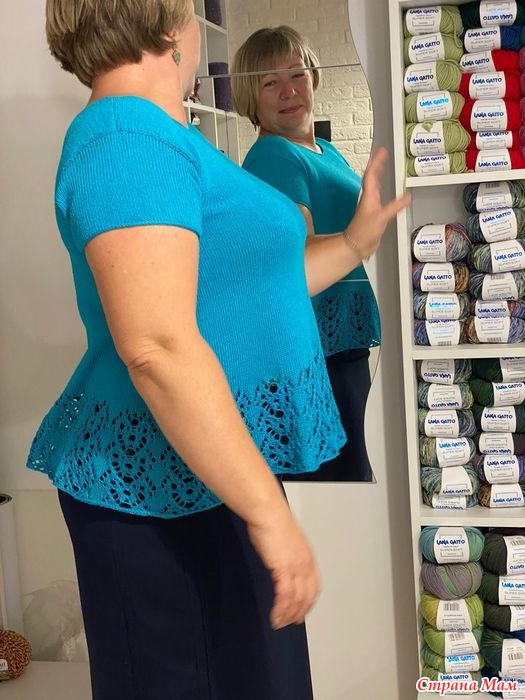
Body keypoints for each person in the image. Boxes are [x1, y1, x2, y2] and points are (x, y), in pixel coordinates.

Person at [29, 2, 409, 698]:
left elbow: (251, 286)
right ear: (166, 22)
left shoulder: (162, 133)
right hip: (160, 494)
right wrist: (268, 513)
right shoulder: (127, 138)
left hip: (207, 469)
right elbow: (157, 347)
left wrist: (356, 242)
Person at [232, 26, 382, 482]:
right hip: (316, 354)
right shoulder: (275, 157)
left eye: (296, 74)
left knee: (352, 479)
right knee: (342, 488)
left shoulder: (325, 151)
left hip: (341, 346)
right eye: (270, 82)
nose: (288, 91)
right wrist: (362, 236)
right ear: (251, 97)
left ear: (314, 77)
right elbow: (301, 255)